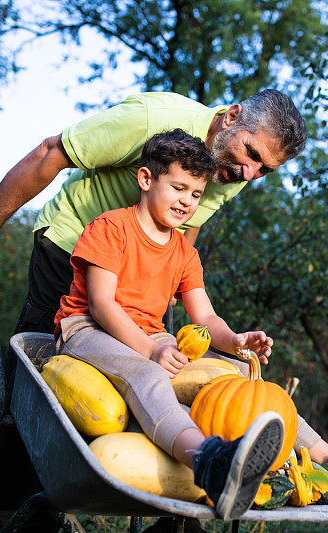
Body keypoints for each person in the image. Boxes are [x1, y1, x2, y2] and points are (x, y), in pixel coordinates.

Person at [0, 90, 328, 533]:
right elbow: (50, 152)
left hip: (142, 288)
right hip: (79, 261)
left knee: (236, 378)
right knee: (35, 401)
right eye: (250, 154)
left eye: (264, 169)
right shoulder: (151, 125)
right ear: (230, 118)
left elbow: (187, 263)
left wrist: (221, 338)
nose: (250, 174)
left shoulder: (231, 169)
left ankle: (327, 459)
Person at [53, 129, 284, 520]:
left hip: (152, 338)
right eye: (178, 188)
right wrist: (151, 350)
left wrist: (237, 341)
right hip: (87, 330)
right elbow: (102, 305)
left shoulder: (183, 252)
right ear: (146, 179)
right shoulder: (111, 228)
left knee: (241, 375)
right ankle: (210, 463)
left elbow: (206, 318)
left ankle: (327, 458)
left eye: (195, 194)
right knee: (148, 373)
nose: (187, 202)